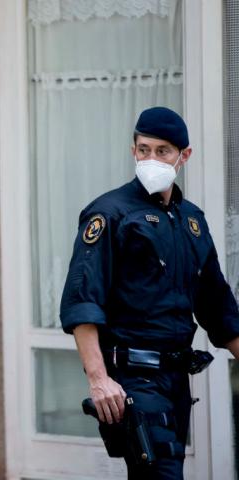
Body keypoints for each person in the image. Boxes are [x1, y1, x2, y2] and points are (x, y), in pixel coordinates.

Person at [60, 106, 239, 479]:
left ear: (184, 156)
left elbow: (218, 306)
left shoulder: (192, 220)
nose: (151, 159)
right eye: (144, 149)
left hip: (176, 379)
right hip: (133, 380)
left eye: (163, 151)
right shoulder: (110, 213)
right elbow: (83, 301)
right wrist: (99, 379)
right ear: (133, 151)